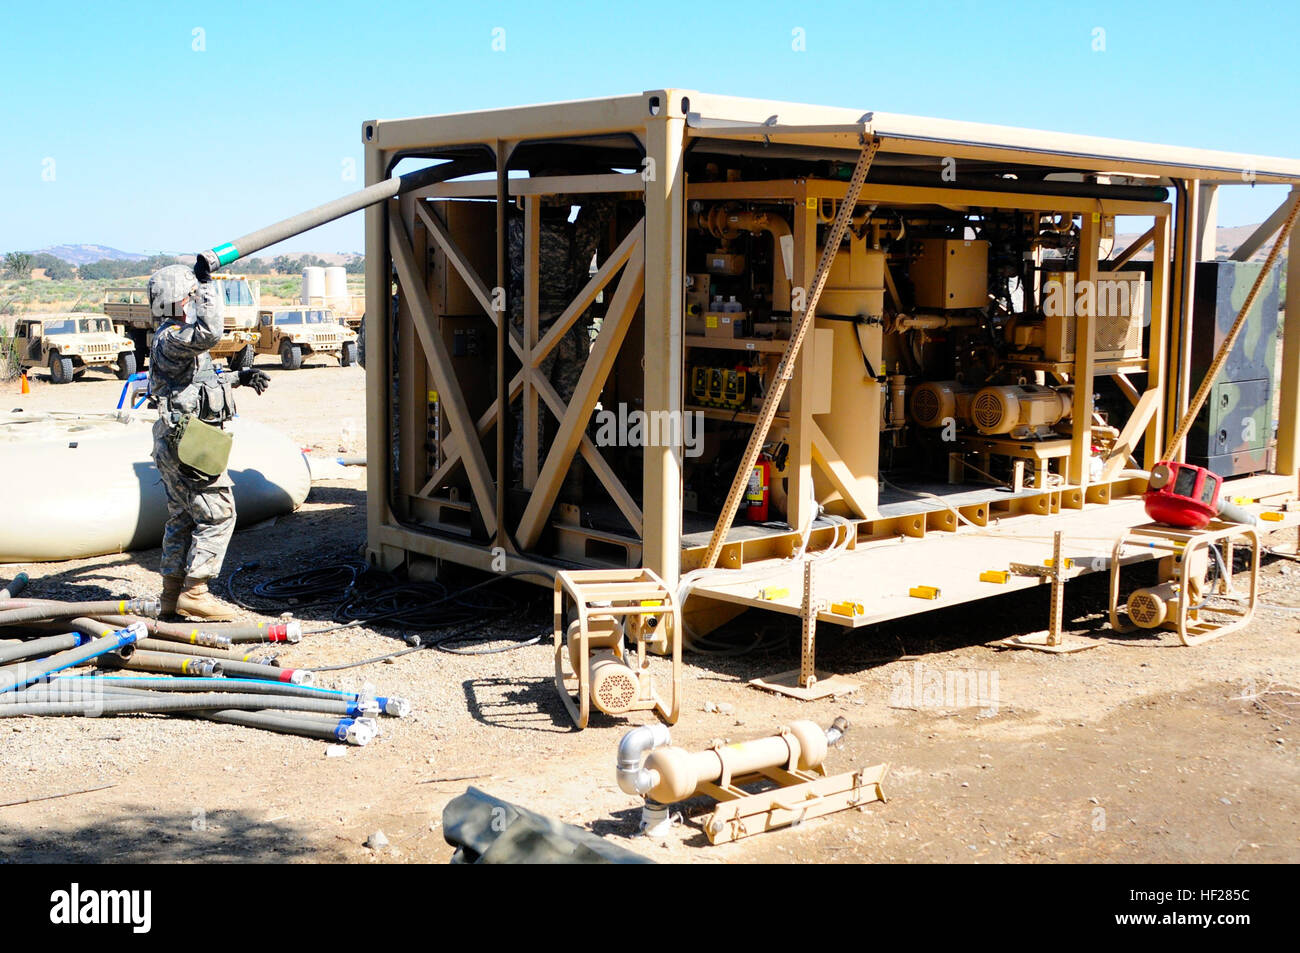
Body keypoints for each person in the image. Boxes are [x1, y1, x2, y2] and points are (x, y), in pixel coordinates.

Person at [147, 264, 270, 620]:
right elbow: (212, 331)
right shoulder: (173, 338)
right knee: (219, 513)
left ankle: (171, 595)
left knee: (183, 516)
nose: (193, 303)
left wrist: (239, 376)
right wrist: (206, 286)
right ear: (179, 300)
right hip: (188, 442)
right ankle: (196, 591)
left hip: (179, 438)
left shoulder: (173, 337)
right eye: (189, 298)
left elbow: (197, 384)